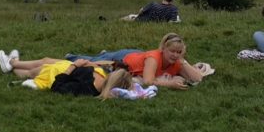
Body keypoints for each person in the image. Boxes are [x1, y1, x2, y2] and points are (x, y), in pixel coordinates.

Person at [63, 33, 205, 90]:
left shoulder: (177, 61)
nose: (174, 55)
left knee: (100, 58)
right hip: (124, 59)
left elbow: (197, 78)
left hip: (138, 55)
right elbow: (149, 81)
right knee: (94, 60)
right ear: (163, 49)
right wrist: (170, 84)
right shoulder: (154, 58)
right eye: (172, 51)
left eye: (178, 52)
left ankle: (105, 53)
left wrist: (182, 60)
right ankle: (71, 56)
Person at [0, 52, 132, 99]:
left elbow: (58, 86)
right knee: (45, 60)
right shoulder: (103, 78)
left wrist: (74, 66)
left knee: (32, 72)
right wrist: (87, 63)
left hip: (59, 73)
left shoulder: (88, 89)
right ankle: (13, 62)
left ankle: (10, 65)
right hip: (68, 65)